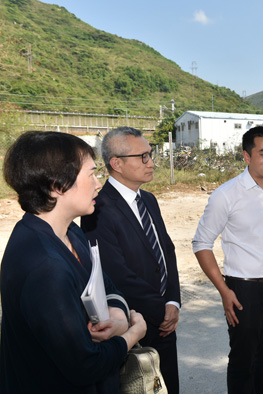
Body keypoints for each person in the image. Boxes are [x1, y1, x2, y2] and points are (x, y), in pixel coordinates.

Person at [0, 131, 147, 393]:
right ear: (58, 185)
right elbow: (85, 364)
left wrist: (118, 317)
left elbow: (108, 286)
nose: (98, 184)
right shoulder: (44, 266)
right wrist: (133, 334)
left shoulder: (70, 232)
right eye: (91, 174)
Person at [193, 126, 263, 394]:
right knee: (243, 360)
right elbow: (201, 243)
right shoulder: (226, 194)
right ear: (246, 156)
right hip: (244, 290)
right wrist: (224, 290)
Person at [81, 126, 181, 393]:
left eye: (150, 155)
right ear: (117, 164)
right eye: (144, 157)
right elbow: (115, 273)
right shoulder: (97, 208)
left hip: (164, 323)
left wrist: (173, 302)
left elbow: (167, 252)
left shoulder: (148, 199)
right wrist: (161, 311)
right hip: (130, 323)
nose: (152, 163)